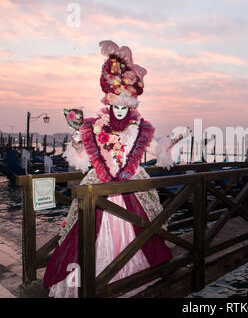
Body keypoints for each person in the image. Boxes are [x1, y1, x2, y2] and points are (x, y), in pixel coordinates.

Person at [43, 40, 190, 298]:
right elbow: (82, 155)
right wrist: (77, 137)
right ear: (109, 102)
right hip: (100, 186)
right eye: (116, 106)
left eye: (125, 106)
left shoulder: (138, 128)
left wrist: (173, 141)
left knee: (141, 231)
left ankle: (131, 274)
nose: (120, 111)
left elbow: (156, 150)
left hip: (131, 185)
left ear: (131, 105)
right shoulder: (97, 125)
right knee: (89, 231)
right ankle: (92, 279)